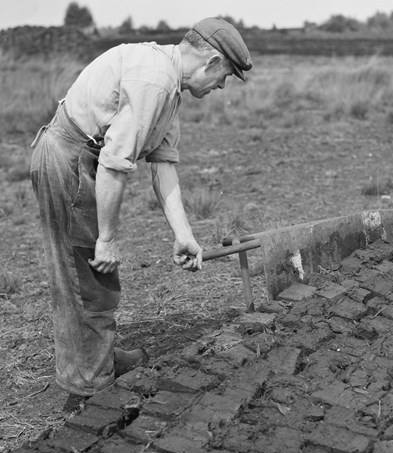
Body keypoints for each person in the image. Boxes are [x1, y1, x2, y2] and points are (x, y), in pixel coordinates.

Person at [29, 17, 252, 408]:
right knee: (84, 273)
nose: (220, 87)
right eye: (226, 77)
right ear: (212, 61)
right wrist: (107, 238)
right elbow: (115, 165)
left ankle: (97, 359)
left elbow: (164, 166)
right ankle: (89, 387)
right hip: (69, 159)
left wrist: (183, 234)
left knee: (93, 273)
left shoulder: (169, 88)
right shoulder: (155, 81)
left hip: (85, 160)